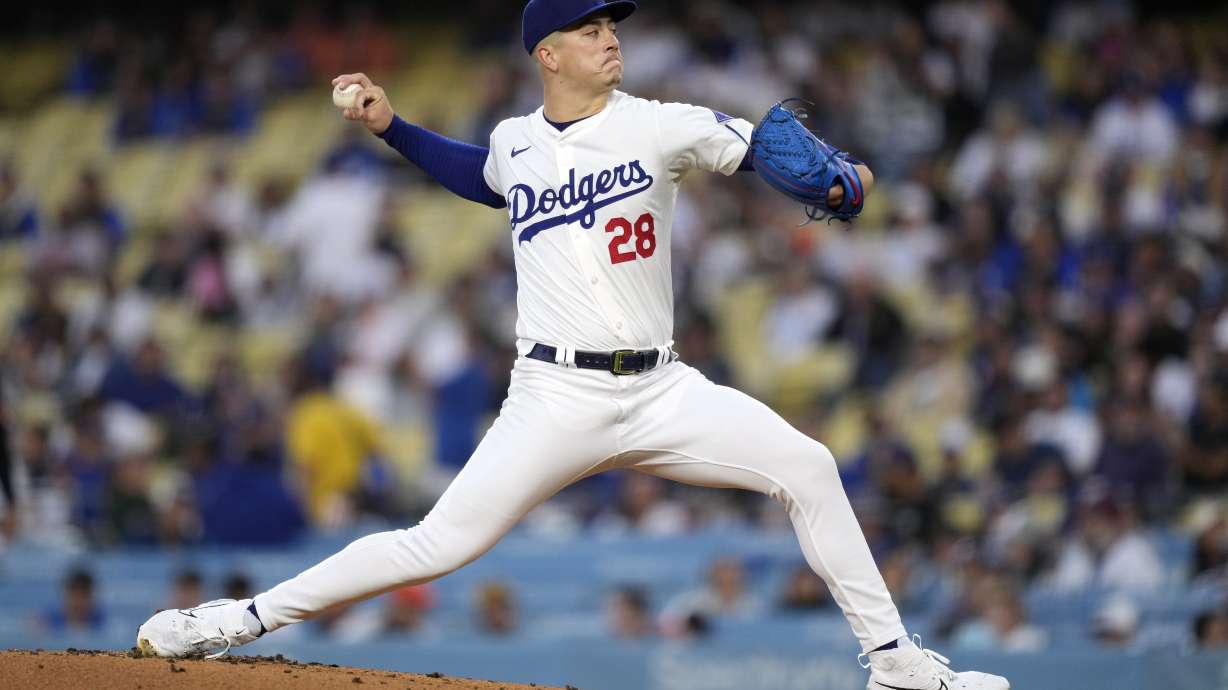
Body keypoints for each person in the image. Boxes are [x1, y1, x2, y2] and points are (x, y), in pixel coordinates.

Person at [137, 3, 1009, 688]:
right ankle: (235, 622)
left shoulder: (660, 123)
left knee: (810, 466)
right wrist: (392, 127)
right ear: (546, 54)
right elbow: (477, 173)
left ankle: (896, 665)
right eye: (589, 30)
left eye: (612, 27)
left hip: (665, 390)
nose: (609, 39)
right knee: (434, 545)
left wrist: (843, 176)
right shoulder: (518, 143)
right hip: (554, 398)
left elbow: (758, 151)